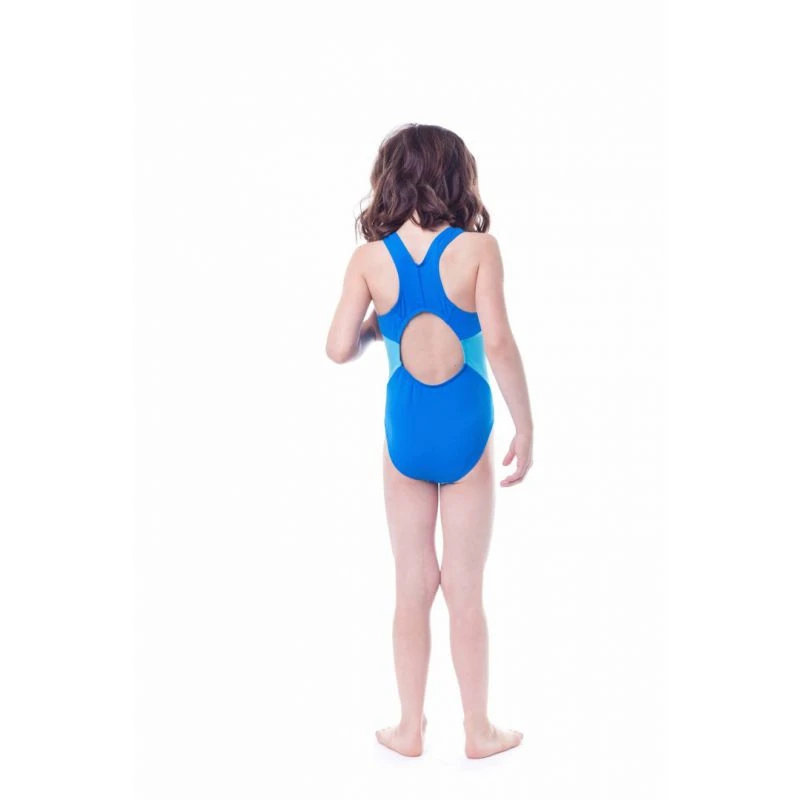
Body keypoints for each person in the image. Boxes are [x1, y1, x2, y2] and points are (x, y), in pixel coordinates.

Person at [325, 123, 533, 759]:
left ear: (389, 179)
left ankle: (409, 728)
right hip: (467, 431)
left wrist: (376, 325)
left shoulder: (369, 259)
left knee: (411, 584)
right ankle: (478, 729)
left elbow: (337, 348)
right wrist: (525, 424)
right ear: (456, 177)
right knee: (465, 588)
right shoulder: (479, 250)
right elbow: (498, 342)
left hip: (406, 436)